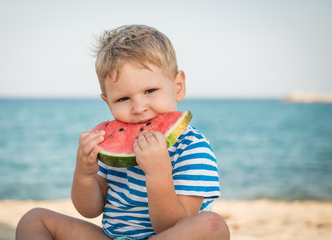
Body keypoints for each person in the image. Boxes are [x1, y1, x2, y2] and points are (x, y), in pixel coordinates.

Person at [16, 24, 230, 240]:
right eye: (123, 99)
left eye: (150, 91)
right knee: (34, 219)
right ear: (108, 102)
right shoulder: (109, 148)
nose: (138, 108)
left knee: (212, 226)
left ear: (178, 86)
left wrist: (158, 173)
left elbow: (170, 227)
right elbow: (91, 210)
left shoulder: (193, 148)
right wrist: (84, 174)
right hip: (112, 237)